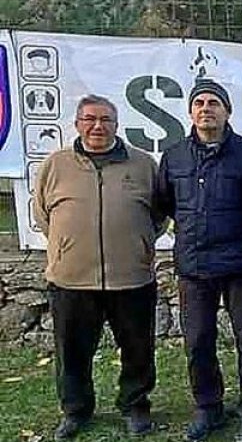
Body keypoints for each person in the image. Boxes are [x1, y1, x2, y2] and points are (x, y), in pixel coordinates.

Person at [32, 95, 166, 440]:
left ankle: (135, 405)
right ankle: (76, 410)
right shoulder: (55, 164)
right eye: (89, 119)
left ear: (116, 125)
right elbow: (43, 214)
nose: (97, 126)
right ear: (77, 124)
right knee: (72, 351)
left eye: (105, 120)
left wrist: (136, 245)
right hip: (72, 280)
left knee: (137, 349)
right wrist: (68, 246)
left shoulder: (143, 165)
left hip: (131, 277)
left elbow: (159, 215)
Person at [159, 81, 242, 441]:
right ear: (190, 112)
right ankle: (209, 407)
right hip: (194, 267)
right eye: (200, 103)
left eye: (215, 103)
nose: (207, 109)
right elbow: (166, 204)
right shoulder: (174, 157)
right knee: (198, 342)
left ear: (227, 111)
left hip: (240, 265)